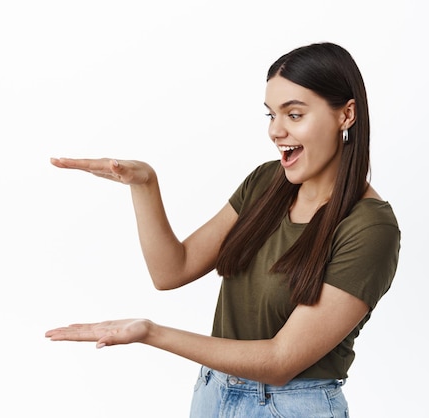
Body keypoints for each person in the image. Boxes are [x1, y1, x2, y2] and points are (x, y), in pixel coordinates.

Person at [45, 42, 401, 417]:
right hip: (214, 394)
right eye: (270, 115)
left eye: (294, 115)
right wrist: (144, 184)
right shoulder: (267, 183)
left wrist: (152, 333)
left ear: (346, 114)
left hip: (294, 407)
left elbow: (281, 360)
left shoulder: (370, 228)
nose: (275, 131)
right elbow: (171, 270)